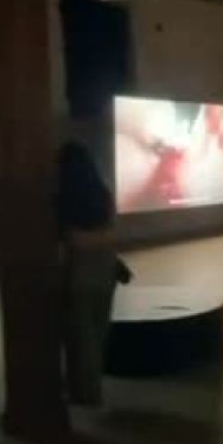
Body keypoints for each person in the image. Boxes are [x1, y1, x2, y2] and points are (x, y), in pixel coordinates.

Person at [56, 142, 132, 407]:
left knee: (80, 337)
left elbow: (71, 240)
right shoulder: (102, 194)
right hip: (105, 271)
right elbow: (113, 232)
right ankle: (90, 387)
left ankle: (84, 392)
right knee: (98, 333)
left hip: (79, 274)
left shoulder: (63, 199)